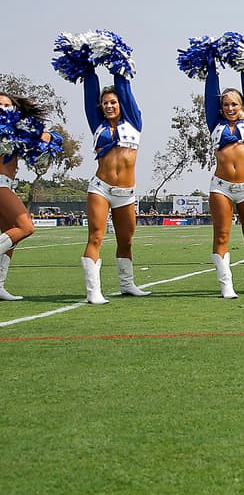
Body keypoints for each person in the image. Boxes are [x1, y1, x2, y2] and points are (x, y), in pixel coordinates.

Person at [52, 30, 149, 304]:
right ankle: (93, 290)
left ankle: (127, 284)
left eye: (113, 102)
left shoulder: (134, 122)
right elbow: (90, 86)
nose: (109, 105)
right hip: (101, 188)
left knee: (126, 240)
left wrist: (115, 58)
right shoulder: (97, 124)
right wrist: (88, 62)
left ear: (121, 104)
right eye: (105, 103)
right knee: (95, 235)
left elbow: (124, 85)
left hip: (126, 193)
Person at [179, 32, 244, 298]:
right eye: (226, 104)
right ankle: (225, 283)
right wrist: (212, 62)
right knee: (221, 235)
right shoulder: (214, 124)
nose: (229, 107)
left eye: (234, 104)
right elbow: (210, 92)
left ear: (242, 106)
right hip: (221, 187)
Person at [0, 92, 63, 301]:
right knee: (26, 227)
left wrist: (48, 138)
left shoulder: (14, 129)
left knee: (10, 235)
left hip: (7, 184)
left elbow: (45, 138)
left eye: (7, 105)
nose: (3, 108)